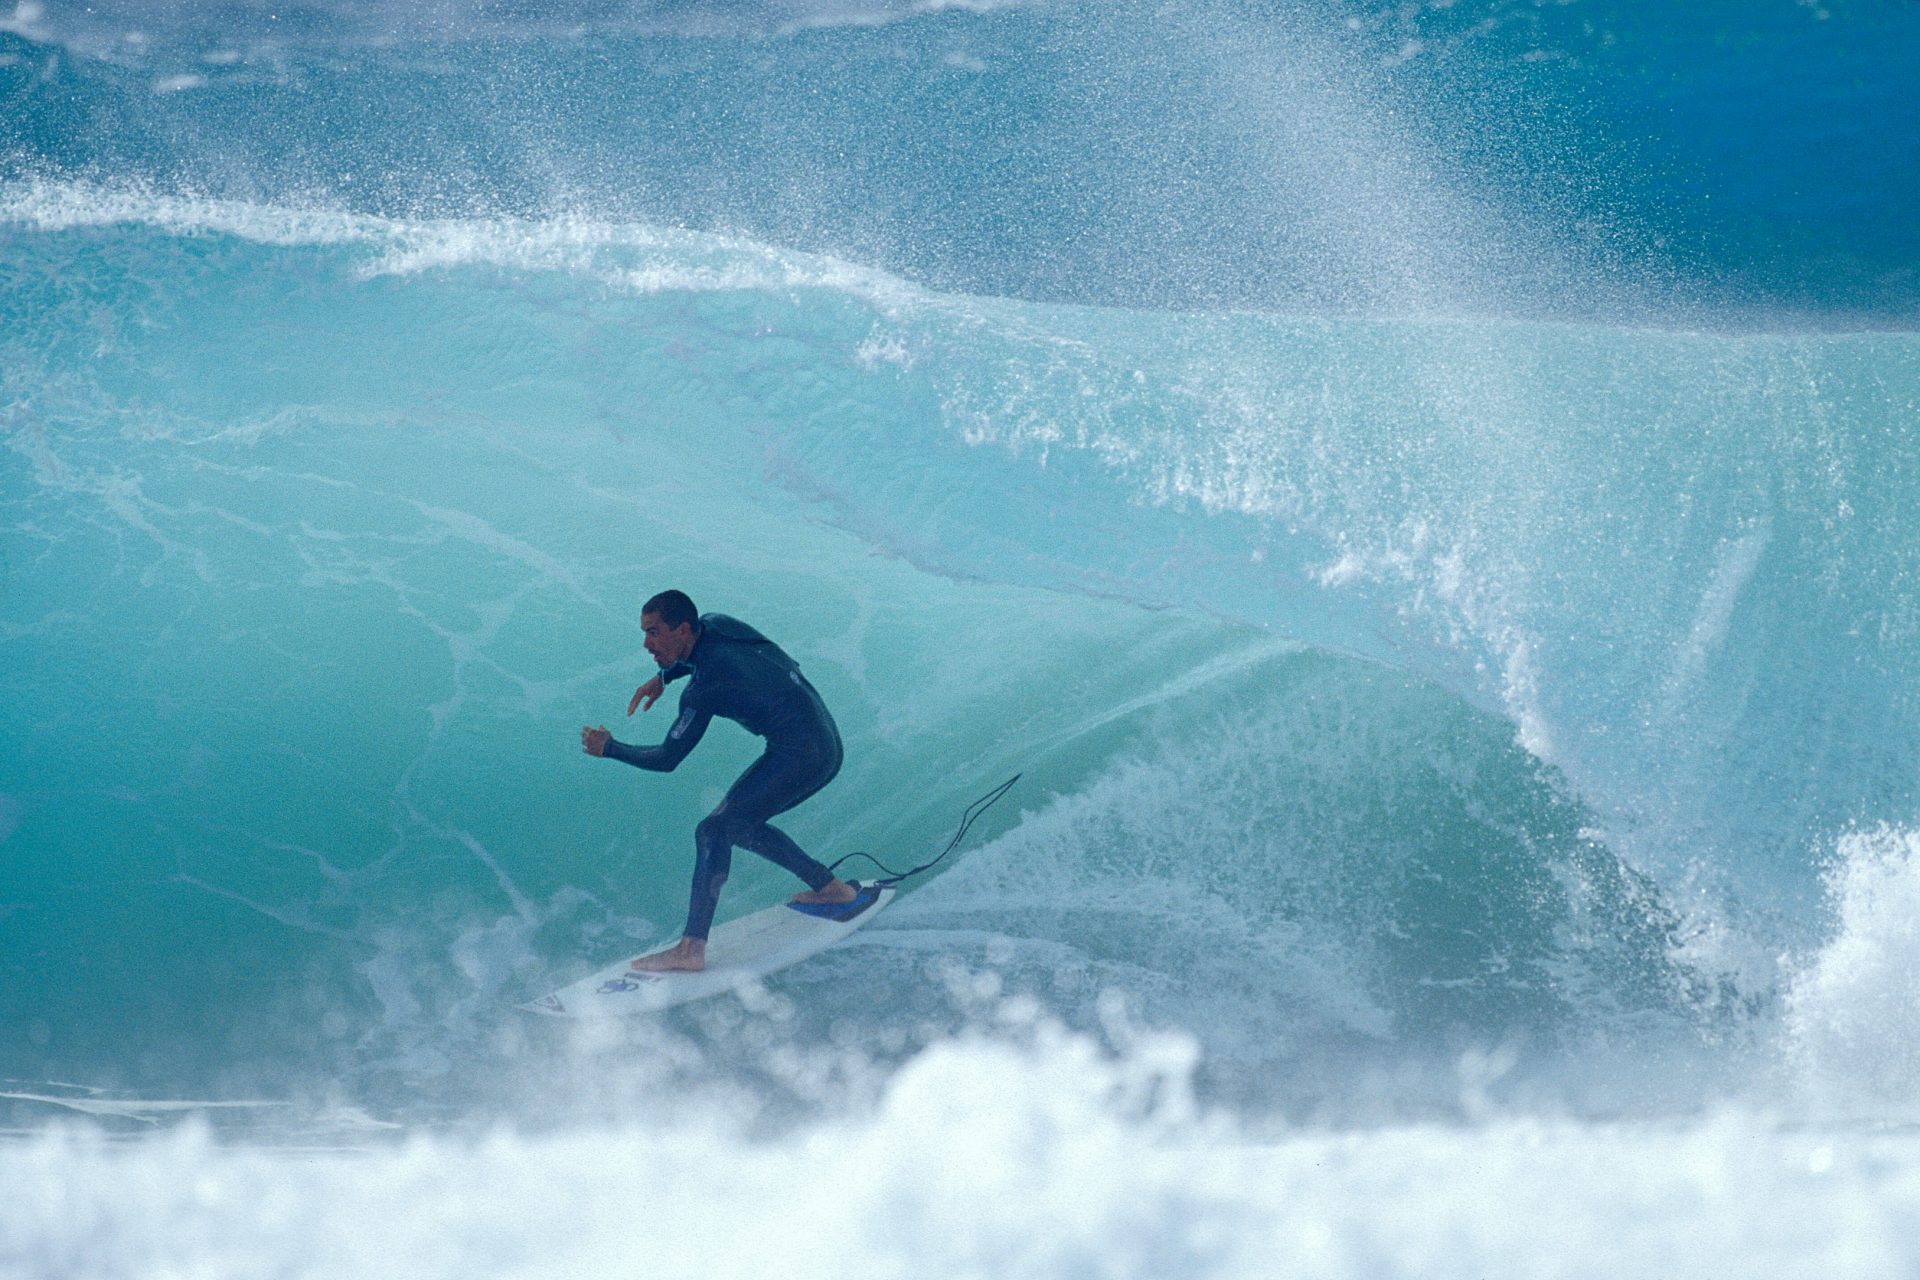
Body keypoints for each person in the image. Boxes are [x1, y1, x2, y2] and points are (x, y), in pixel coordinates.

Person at [580, 590, 857, 972]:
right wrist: (664, 675)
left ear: (682, 630)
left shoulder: (705, 687)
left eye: (654, 633)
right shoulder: (717, 623)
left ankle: (691, 948)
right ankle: (830, 890)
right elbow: (772, 658)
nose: (646, 644)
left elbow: (667, 759)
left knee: (714, 830)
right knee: (737, 825)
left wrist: (609, 748)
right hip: (824, 736)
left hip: (804, 755)